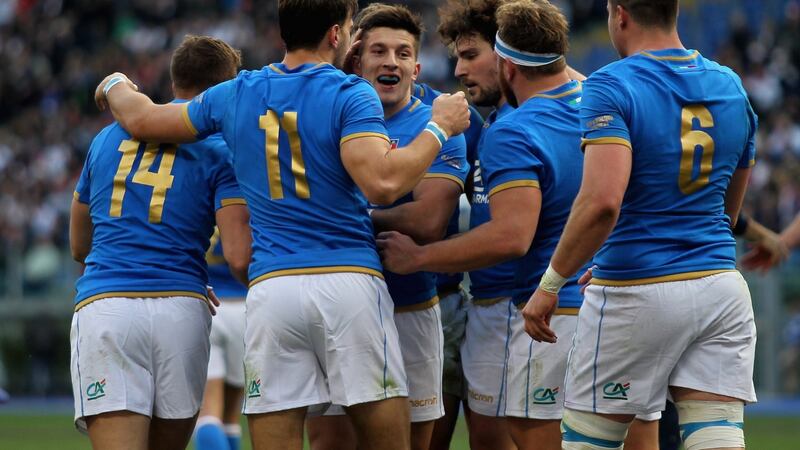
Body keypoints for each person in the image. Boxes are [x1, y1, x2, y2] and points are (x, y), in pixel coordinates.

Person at [93, 1, 471, 448]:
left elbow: (141, 119)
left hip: (273, 288)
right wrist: (440, 127)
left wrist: (115, 82)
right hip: (345, 280)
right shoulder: (351, 93)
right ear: (336, 35)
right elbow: (383, 182)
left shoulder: (236, 92)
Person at [523, 1, 758, 449]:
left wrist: (550, 285)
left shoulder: (612, 83)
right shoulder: (731, 85)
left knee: (589, 438)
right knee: (716, 436)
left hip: (638, 290)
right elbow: (726, 212)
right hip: (720, 287)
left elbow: (601, 203)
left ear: (619, 13)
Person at [70, 35, 251, 450]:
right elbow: (237, 246)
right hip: (181, 308)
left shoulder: (105, 139)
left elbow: (80, 244)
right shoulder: (223, 151)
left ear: (174, 83)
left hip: (108, 306)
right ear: (224, 89)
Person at [305, 4, 469, 450]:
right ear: (357, 60)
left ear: (416, 67)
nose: (390, 62)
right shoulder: (327, 111)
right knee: (329, 442)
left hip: (410, 306)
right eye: (378, 50)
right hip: (337, 305)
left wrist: (343, 218)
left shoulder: (440, 120)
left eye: (402, 53)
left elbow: (427, 220)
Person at [194, 232, 248, 450]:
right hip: (244, 307)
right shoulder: (238, 201)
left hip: (206, 305)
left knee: (208, 413)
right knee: (231, 415)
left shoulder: (195, 200)